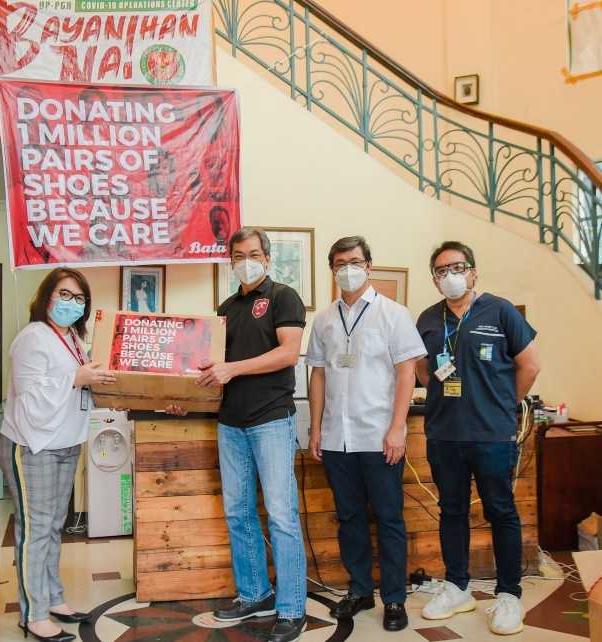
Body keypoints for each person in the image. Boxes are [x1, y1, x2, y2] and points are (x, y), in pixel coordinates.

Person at [178, 227, 308, 642]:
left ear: (267, 258)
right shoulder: (226, 308)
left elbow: (288, 353)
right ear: (230, 261)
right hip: (231, 422)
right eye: (238, 256)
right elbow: (213, 367)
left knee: (282, 515)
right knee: (238, 513)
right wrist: (183, 394)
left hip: (271, 419)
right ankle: (254, 594)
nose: (246, 262)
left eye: (253, 254)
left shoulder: (284, 296)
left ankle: (292, 609)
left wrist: (232, 369)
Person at [414, 242, 540, 636]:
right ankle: (457, 587)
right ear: (434, 279)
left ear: (473, 271)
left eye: (457, 267)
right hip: (444, 434)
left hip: (492, 435)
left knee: (500, 511)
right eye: (441, 271)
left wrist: (503, 405)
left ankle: (509, 595)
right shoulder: (428, 319)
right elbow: (421, 371)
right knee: (451, 510)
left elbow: (530, 365)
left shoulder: (500, 311)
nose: (450, 275)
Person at [306, 236, 427, 632]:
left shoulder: (394, 314)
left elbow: (407, 374)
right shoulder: (324, 320)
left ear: (369, 265)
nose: (348, 269)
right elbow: (318, 375)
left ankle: (394, 599)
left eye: (355, 262)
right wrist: (316, 428)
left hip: (379, 437)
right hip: (336, 438)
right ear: (332, 270)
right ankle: (360, 590)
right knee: (349, 517)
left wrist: (397, 429)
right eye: (340, 263)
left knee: (389, 518)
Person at [0, 268, 117, 642]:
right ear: (47, 296)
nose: (72, 303)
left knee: (52, 527)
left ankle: (52, 598)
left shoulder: (74, 340)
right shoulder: (32, 338)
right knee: (35, 529)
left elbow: (80, 386)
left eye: (79, 298)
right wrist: (76, 379)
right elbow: (31, 395)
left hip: (65, 442)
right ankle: (32, 615)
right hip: (32, 444)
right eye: (64, 294)